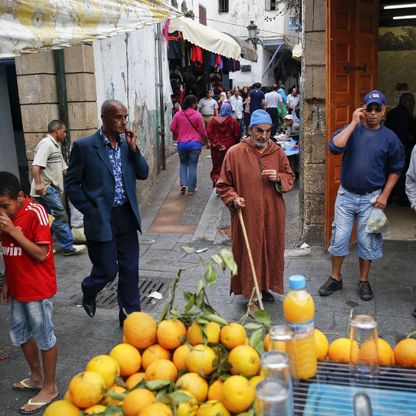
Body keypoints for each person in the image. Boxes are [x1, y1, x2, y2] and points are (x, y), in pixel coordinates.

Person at [64, 100, 149, 327]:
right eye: (118, 117)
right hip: (102, 218)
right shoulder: (84, 146)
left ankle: (131, 321)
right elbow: (71, 184)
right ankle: (89, 288)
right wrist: (90, 210)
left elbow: (143, 173)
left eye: (125, 116)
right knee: (107, 271)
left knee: (130, 271)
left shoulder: (126, 145)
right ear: (104, 118)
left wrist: (134, 149)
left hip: (127, 217)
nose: (123, 122)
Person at [319, 90, 405, 301]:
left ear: (384, 111)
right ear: (363, 109)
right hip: (346, 195)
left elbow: (396, 168)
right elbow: (333, 147)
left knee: (368, 242)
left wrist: (385, 195)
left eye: (378, 109)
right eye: (370, 108)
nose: (373, 113)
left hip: (372, 199)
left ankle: (364, 281)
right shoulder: (353, 130)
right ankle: (335, 278)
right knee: (339, 237)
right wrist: (352, 123)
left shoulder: (390, 138)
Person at [216, 110, 295, 311]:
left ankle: (265, 287)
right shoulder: (235, 153)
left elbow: (289, 176)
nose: (264, 136)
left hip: (272, 213)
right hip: (247, 214)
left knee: (271, 248)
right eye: (260, 131)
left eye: (268, 131)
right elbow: (223, 185)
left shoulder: (277, 152)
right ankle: (252, 295)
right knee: (249, 251)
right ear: (250, 129)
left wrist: (278, 177)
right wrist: (234, 198)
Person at [0, 172, 58, 414]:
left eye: (5, 205)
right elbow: (9, 252)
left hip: (37, 288)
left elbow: (41, 254)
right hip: (18, 287)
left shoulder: (36, 212)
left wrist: (14, 230)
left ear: (21, 196)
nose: (2, 212)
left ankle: (50, 386)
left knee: (44, 337)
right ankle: (36, 378)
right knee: (21, 334)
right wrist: (6, 281)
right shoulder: (6, 217)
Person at [30, 120, 85, 256]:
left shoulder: (55, 146)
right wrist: (38, 185)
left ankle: (41, 245)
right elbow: (36, 166)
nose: (65, 134)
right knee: (60, 216)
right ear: (56, 130)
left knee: (46, 219)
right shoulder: (47, 144)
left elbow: (64, 168)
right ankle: (68, 247)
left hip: (49, 189)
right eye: (64, 131)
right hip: (46, 189)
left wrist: (80, 178)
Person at [170, 95, 207, 195]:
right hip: (195, 144)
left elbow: (172, 127)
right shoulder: (197, 115)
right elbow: (203, 131)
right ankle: (191, 189)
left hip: (182, 144)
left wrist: (179, 134)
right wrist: (205, 139)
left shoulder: (178, 114)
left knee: (183, 163)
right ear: (193, 104)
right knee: (193, 166)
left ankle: (183, 183)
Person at [385, 93, 416, 206]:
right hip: (401, 149)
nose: (413, 104)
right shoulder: (403, 115)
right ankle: (402, 199)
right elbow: (402, 133)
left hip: (390, 149)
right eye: (410, 101)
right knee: (401, 174)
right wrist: (410, 137)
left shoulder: (394, 112)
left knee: (390, 172)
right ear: (404, 101)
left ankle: (389, 197)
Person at [207, 102, 241, 187]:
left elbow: (209, 133)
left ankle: (217, 182)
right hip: (230, 147)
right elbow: (237, 134)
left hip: (216, 148)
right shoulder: (232, 121)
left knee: (217, 165)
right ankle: (227, 183)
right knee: (228, 165)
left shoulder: (213, 121)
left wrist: (216, 143)